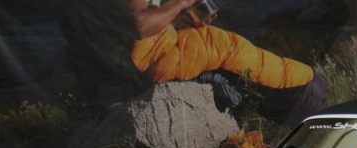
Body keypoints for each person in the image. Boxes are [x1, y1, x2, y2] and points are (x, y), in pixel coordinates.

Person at [127, 0, 326, 125]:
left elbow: (154, 35)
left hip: (300, 88)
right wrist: (181, 3)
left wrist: (184, 21)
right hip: (298, 91)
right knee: (231, 52)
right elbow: (142, 25)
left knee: (231, 50)